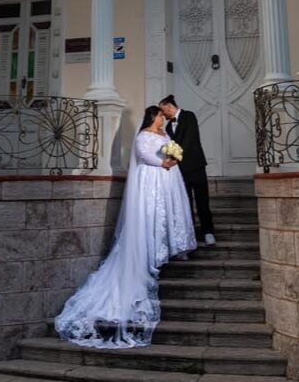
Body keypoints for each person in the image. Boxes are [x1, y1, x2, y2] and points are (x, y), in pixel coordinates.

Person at [52, 104, 197, 348]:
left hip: (167, 178)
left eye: (164, 115)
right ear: (154, 116)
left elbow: (169, 149)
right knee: (152, 215)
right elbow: (143, 155)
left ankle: (171, 246)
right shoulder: (143, 135)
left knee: (168, 213)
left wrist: (173, 158)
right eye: (161, 115)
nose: (163, 119)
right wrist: (163, 163)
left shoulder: (165, 134)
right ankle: (151, 251)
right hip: (153, 177)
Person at [159, 95, 215, 245]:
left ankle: (208, 231)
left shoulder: (189, 116)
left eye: (164, 111)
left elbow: (189, 139)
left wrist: (176, 156)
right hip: (180, 171)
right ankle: (191, 234)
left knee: (202, 200)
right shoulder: (168, 127)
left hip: (196, 166)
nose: (163, 115)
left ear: (170, 106)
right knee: (186, 203)